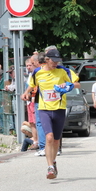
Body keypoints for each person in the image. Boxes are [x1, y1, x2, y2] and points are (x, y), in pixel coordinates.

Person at [21, 48, 73, 179]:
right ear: (47, 60)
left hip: (59, 109)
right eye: (53, 61)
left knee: (56, 140)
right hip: (44, 109)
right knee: (48, 137)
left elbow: (72, 83)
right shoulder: (38, 72)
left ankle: (54, 162)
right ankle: (50, 167)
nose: (55, 63)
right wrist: (26, 93)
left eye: (57, 61)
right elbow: (32, 84)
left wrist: (65, 87)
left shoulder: (62, 71)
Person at [25, 58, 38, 150]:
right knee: (32, 123)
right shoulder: (30, 75)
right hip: (29, 101)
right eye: (27, 66)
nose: (28, 67)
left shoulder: (36, 74)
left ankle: (37, 142)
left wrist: (29, 95)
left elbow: (34, 88)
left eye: (30, 65)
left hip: (33, 101)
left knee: (35, 122)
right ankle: (35, 141)